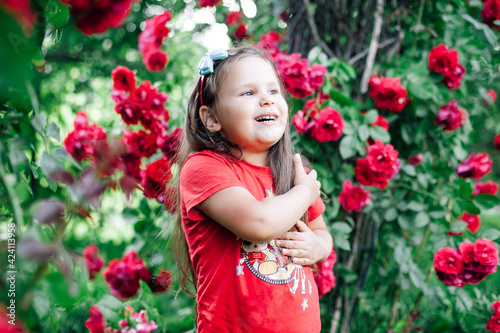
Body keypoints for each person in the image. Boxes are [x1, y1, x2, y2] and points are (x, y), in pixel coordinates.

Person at [173, 45, 333, 332]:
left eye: (273, 91)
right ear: (212, 118)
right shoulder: (203, 169)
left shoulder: (294, 172)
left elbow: (322, 234)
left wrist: (318, 246)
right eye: (249, 93)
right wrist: (305, 193)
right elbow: (259, 223)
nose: (267, 101)